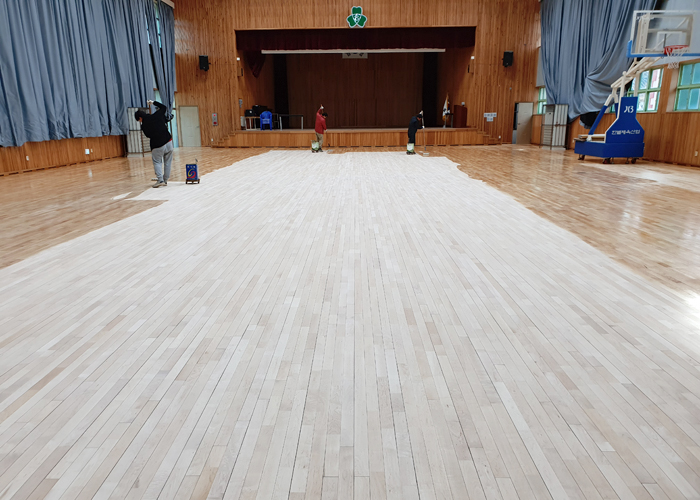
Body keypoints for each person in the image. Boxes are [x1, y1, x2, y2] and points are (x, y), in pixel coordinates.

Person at [135, 100, 173, 188]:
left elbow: (148, 135)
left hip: (157, 145)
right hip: (168, 141)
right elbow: (163, 107)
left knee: (157, 162)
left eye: (139, 120)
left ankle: (160, 180)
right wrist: (153, 102)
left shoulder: (144, 125)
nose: (140, 121)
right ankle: (165, 180)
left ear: (140, 118)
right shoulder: (157, 115)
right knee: (168, 162)